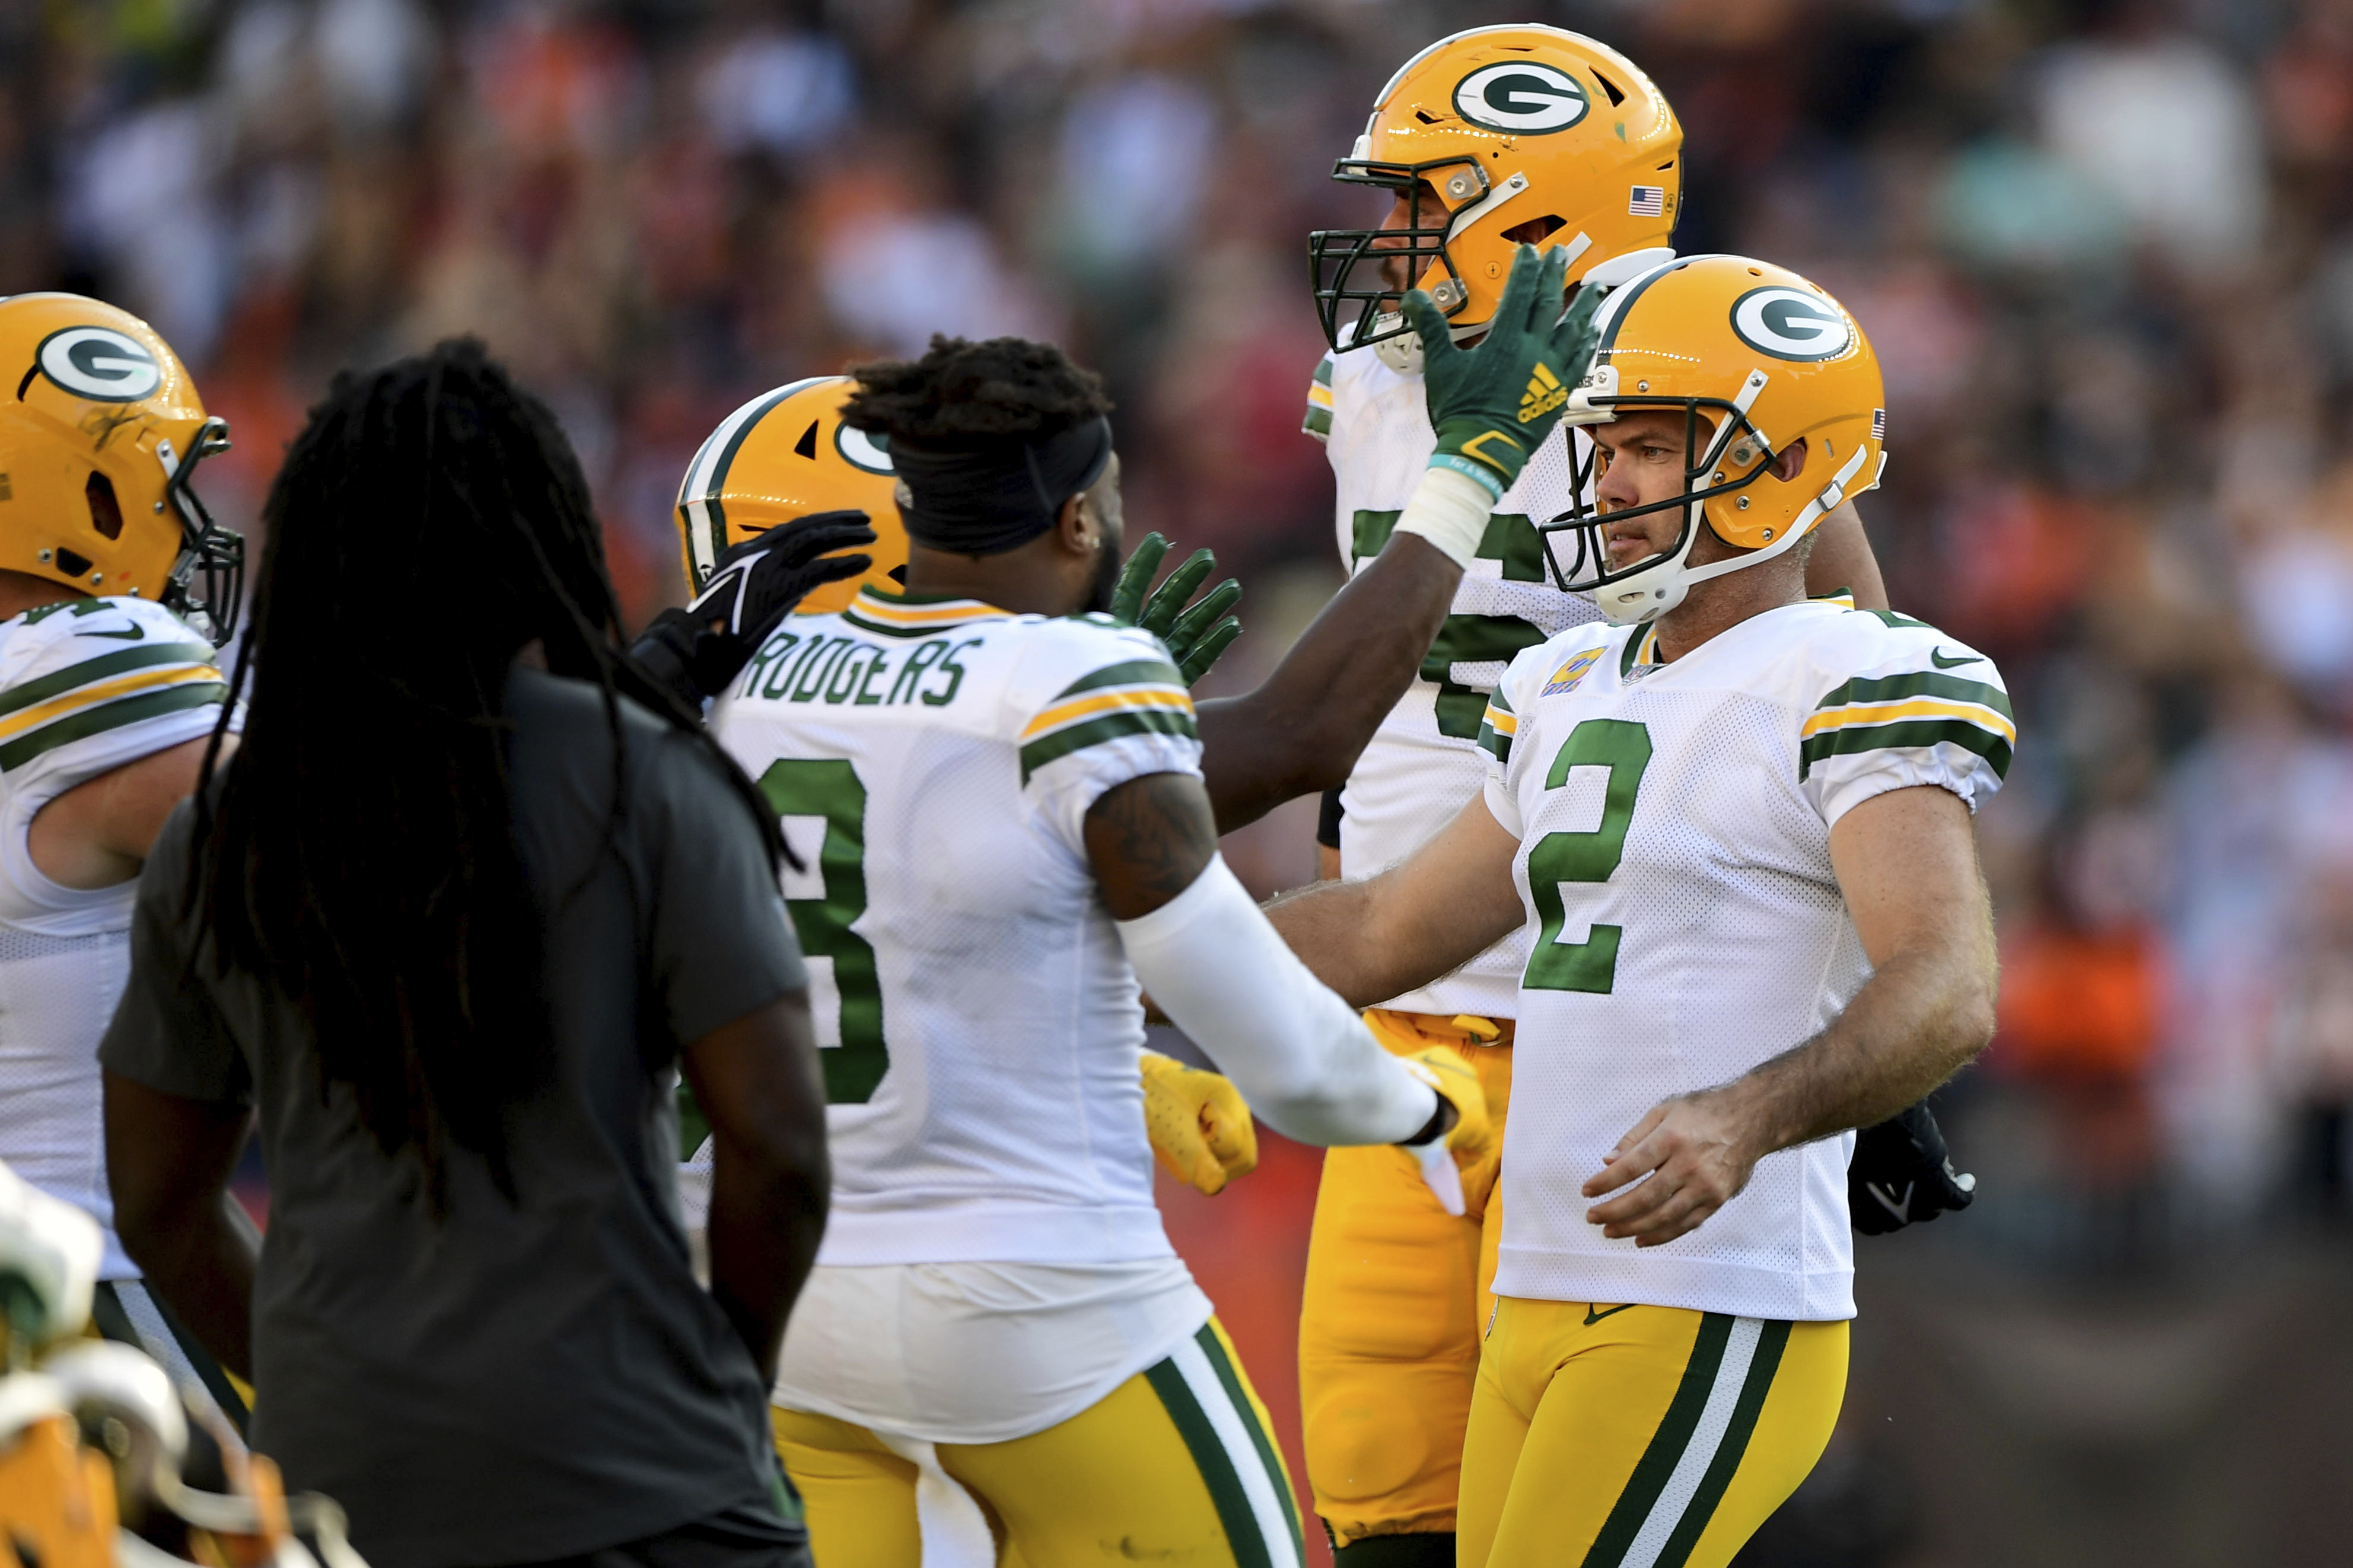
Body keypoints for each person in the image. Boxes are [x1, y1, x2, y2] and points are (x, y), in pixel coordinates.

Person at [699, 300, 1610, 1565]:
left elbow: (905, 938)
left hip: (790, 1307)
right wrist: (1410, 1102)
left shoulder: (730, 688)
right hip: (1036, 1300)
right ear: (1078, 515)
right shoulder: (1071, 676)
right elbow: (1250, 997)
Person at [1295, 28, 1960, 1560]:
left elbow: (1837, 653)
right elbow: (1375, 691)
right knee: (1389, 1507)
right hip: (1400, 1001)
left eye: (1423, 201)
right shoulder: (1376, 373)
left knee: (1593, 1491)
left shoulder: (1683, 368)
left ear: (1539, 214)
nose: (1385, 238)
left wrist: (1872, 1031)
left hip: (1589, 1010)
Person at [98, 340, 833, 1568]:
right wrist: (726, 1376)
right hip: (643, 1472)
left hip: (343, 1485)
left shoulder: (226, 826)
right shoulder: (647, 783)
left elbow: (161, 1204)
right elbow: (779, 1148)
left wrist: (314, 1386)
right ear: (541, 537)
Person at [0, 292, 251, 1457]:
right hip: (90, 1319)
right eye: (164, 484)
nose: (188, 520)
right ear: (81, 490)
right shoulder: (94, 665)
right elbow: (348, 839)